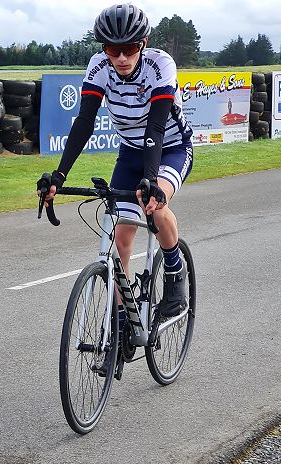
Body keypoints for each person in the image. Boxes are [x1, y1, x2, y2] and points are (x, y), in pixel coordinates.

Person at [37, 3, 193, 327]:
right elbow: (84, 123)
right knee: (119, 236)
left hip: (171, 149)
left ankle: (175, 272)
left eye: (129, 48)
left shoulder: (160, 65)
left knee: (155, 206)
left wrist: (151, 181)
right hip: (131, 151)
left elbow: (156, 129)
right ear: (103, 48)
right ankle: (123, 317)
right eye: (112, 49)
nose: (121, 58)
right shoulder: (99, 67)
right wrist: (59, 175)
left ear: (143, 44)